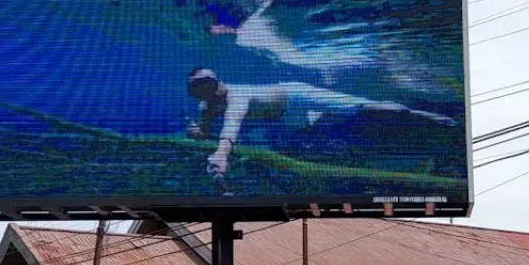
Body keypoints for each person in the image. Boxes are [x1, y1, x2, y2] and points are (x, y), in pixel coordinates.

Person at [186, 68, 458, 176]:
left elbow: (232, 122)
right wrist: (198, 132)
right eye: (200, 87)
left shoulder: (237, 94)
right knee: (341, 132)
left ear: (218, 80)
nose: (208, 89)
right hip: (290, 119)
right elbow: (207, 132)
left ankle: (427, 117)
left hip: (296, 95)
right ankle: (405, 149)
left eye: (210, 83)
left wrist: (222, 154)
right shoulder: (206, 107)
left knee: (368, 107)